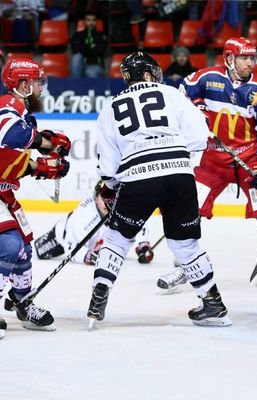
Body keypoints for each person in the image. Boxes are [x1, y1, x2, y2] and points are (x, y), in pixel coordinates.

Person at [89, 52, 231, 328]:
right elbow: (199, 136)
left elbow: (108, 164)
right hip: (179, 175)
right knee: (185, 244)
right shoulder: (172, 93)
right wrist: (178, 160)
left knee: (117, 240)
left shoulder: (110, 107)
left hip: (138, 178)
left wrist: (110, 186)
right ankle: (212, 302)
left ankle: (98, 296)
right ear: (145, 74)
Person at [158, 37, 257, 293]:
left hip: (250, 161)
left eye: (252, 57)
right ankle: (185, 266)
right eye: (244, 57)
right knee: (188, 212)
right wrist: (199, 117)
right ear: (229, 59)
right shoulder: (206, 78)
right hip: (212, 162)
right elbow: (182, 94)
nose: (250, 62)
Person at [0, 58, 71, 337]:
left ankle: (22, 302)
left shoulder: (23, 114)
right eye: (39, 83)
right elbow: (10, 134)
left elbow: (7, 159)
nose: (42, 88)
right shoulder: (8, 105)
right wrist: (45, 145)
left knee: (23, 250)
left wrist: (43, 165)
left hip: (4, 193)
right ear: (24, 86)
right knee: (8, 244)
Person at [33, 181, 153, 266]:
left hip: (94, 241)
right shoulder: (83, 215)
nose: (107, 204)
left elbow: (137, 222)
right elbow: (70, 246)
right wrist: (87, 256)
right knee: (36, 252)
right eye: (104, 199)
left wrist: (143, 245)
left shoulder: (120, 207)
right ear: (96, 197)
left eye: (112, 199)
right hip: (61, 237)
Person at [69, 11, 107, 78]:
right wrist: (91, 48)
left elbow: (101, 51)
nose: (91, 22)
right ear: (84, 21)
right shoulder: (78, 35)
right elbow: (75, 49)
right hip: (81, 65)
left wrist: (83, 47)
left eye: (93, 20)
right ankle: (74, 85)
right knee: (77, 57)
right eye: (88, 20)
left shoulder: (101, 35)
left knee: (89, 72)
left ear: (96, 22)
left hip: (96, 66)